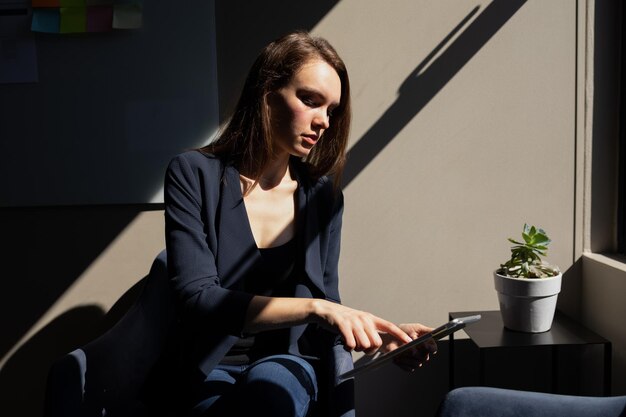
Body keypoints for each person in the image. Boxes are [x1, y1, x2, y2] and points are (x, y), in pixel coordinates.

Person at [164, 30, 436, 417]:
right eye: (310, 101)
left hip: (289, 362)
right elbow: (197, 298)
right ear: (267, 92)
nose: (323, 121)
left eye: (331, 109)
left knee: (270, 394)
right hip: (209, 367)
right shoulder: (193, 174)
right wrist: (314, 308)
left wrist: (380, 336)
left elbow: (328, 305)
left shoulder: (323, 197)